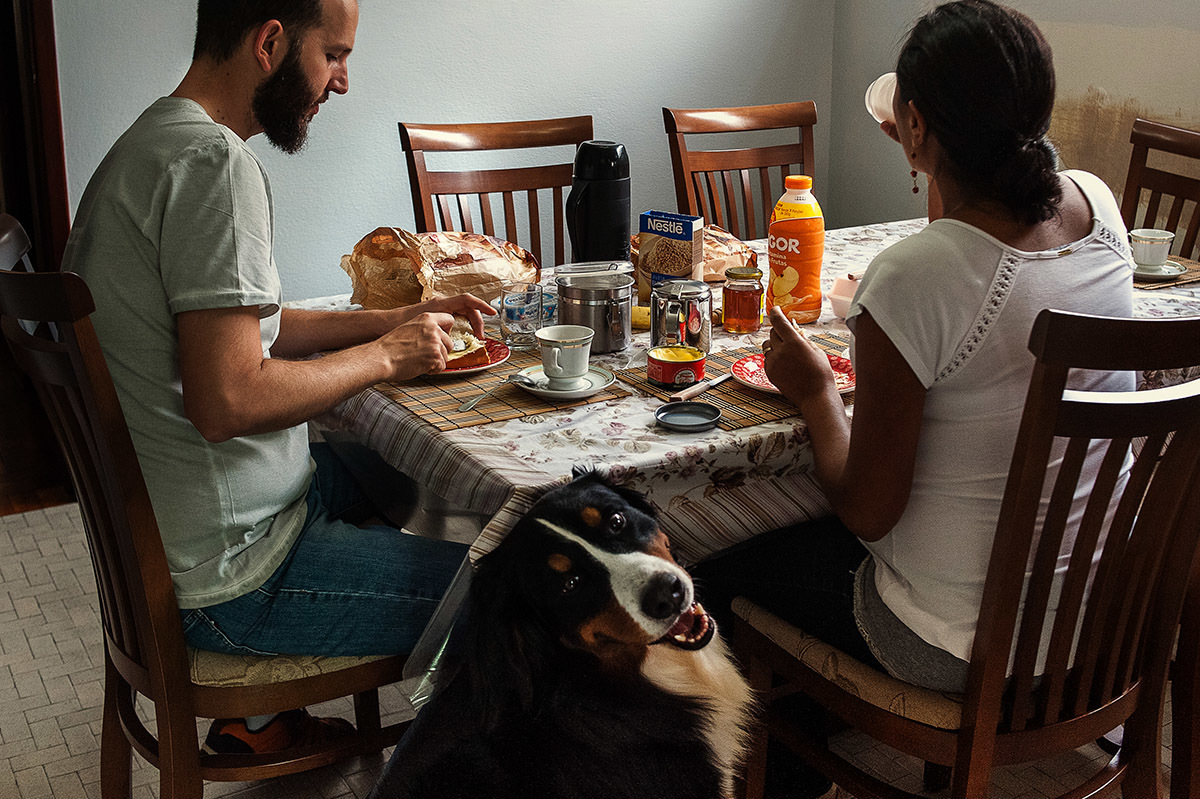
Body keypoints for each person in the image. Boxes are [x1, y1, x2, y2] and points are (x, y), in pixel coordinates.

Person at [693, 2, 1135, 796]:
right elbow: (974, 244)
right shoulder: (1100, 206)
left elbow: (867, 511)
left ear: (917, 126)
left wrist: (816, 390)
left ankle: (781, 773)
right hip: (1100, 623)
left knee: (717, 573)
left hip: (961, 648)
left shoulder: (913, 277)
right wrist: (938, 160)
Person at [61, 0, 493, 754]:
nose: (341, 81)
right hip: (235, 577)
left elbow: (248, 330)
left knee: (395, 470)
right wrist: (388, 358)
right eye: (333, 55)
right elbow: (228, 399)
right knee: (508, 588)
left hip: (195, 531)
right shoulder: (215, 166)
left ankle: (261, 724)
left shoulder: (149, 143)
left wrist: (392, 320)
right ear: (270, 43)